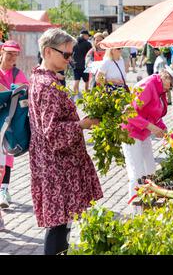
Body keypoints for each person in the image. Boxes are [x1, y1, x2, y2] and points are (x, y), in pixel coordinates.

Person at [29, 28, 103, 255]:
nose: (70, 60)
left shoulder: (41, 78)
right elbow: (52, 132)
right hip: (57, 168)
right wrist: (82, 124)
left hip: (53, 165)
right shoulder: (48, 86)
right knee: (59, 226)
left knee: (63, 223)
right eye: (67, 55)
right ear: (48, 52)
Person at [121, 67, 173, 212]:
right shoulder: (148, 86)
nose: (171, 89)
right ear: (166, 78)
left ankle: (148, 208)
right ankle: (136, 213)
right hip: (130, 132)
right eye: (171, 85)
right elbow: (129, 112)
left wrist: (162, 127)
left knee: (150, 170)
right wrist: (152, 127)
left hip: (143, 132)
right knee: (136, 173)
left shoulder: (160, 87)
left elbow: (154, 113)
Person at [0, 41, 29, 209]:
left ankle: (4, 190)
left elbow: (24, 87)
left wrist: (16, 89)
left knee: (7, 154)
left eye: (16, 54)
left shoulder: (17, 72)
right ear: (2, 51)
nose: (12, 57)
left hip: (8, 120)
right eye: (9, 53)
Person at [72, 30, 92, 98]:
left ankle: (76, 96)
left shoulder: (74, 43)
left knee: (76, 81)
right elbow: (91, 55)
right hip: (85, 66)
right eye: (87, 36)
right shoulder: (88, 44)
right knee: (87, 81)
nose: (88, 37)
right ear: (84, 35)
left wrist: (72, 64)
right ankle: (87, 96)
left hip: (75, 65)